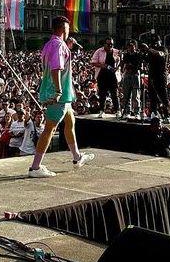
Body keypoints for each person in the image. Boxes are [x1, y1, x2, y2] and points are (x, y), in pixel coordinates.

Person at [28, 16, 94, 178]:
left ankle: (77, 157)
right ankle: (35, 167)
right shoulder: (58, 45)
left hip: (60, 94)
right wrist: (58, 91)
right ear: (62, 29)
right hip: (59, 94)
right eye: (67, 28)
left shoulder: (51, 44)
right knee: (49, 128)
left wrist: (68, 46)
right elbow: (56, 68)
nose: (69, 31)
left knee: (70, 121)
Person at [91, 37, 121, 118]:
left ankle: (118, 111)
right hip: (102, 75)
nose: (110, 45)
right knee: (102, 94)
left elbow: (120, 62)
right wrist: (103, 65)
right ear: (104, 44)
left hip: (113, 76)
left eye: (112, 44)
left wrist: (117, 67)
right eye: (108, 44)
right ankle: (101, 111)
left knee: (114, 94)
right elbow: (93, 62)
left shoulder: (116, 52)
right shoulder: (99, 51)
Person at [141, 38, 169, 119]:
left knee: (163, 95)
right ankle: (154, 112)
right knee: (152, 95)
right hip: (152, 75)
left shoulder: (163, 49)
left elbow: (160, 55)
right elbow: (146, 60)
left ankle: (166, 115)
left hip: (160, 76)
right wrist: (143, 53)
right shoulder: (151, 52)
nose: (155, 44)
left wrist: (149, 50)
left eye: (156, 43)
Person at [120, 40, 142, 119]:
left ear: (135, 47)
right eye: (129, 46)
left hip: (135, 75)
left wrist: (131, 66)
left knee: (135, 95)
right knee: (126, 95)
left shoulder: (138, 55)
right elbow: (124, 64)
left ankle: (137, 113)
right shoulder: (126, 55)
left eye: (132, 46)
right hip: (127, 74)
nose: (130, 48)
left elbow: (139, 65)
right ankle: (127, 112)